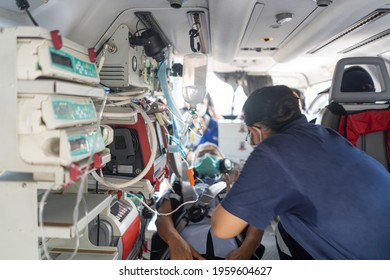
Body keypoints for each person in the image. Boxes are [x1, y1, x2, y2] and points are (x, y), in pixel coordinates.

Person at [211, 85, 390, 260]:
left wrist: (234, 194)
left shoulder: (272, 151)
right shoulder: (326, 134)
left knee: (285, 228)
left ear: (255, 130)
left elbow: (222, 229)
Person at [153, 142, 264, 260]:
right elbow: (162, 217)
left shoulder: (235, 188)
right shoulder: (179, 187)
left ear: (224, 163)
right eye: (201, 154)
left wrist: (246, 250)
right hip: (184, 254)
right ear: (193, 163)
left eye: (213, 153)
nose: (207, 157)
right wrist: (173, 240)